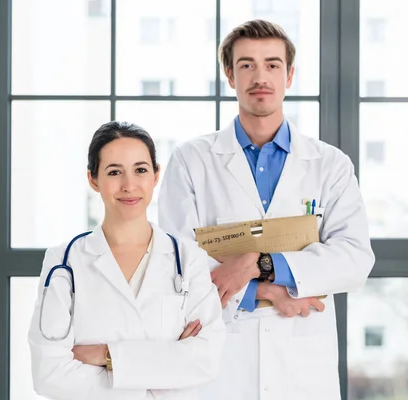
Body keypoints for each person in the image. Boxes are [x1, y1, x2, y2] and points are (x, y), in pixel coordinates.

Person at [158, 19, 375, 399]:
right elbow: (178, 265)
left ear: (290, 75)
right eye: (247, 65)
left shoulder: (330, 164)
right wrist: (267, 292)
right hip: (221, 363)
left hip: (302, 366)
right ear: (229, 74)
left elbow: (355, 260)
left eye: (273, 64)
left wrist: (258, 263)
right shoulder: (191, 161)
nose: (261, 76)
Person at [28, 121, 225, 400]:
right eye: (114, 172)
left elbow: (206, 360)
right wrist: (161, 373)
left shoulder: (189, 259)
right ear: (93, 179)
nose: (129, 185)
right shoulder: (65, 262)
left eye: (141, 170)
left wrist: (106, 356)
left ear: (156, 176)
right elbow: (48, 374)